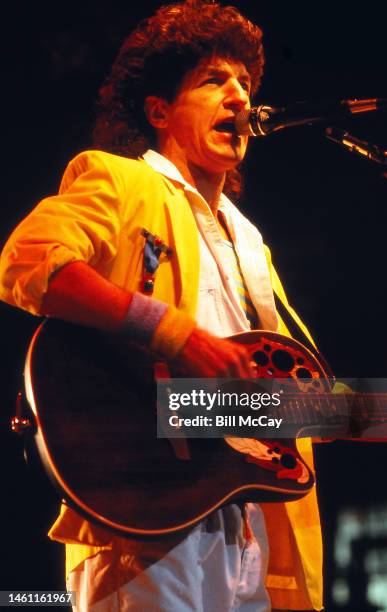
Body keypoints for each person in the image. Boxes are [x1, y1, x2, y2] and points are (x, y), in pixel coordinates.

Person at [0, 1, 323, 610]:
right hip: (141, 517)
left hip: (241, 519)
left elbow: (258, 398)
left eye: (245, 83)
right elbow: (26, 260)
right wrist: (176, 334)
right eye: (213, 81)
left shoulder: (250, 241)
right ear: (159, 111)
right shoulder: (122, 181)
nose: (239, 97)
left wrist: (379, 416)